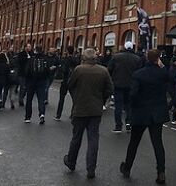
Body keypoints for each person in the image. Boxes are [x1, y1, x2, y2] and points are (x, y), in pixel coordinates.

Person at [63, 47, 113, 179]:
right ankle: (91, 168)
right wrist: (101, 100)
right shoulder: (103, 70)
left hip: (80, 108)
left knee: (76, 137)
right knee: (93, 139)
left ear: (84, 58)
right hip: (95, 110)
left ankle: (71, 161)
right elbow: (109, 89)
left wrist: (76, 96)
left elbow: (70, 84)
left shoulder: (79, 69)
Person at [120, 49, 168, 185]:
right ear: (158, 59)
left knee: (134, 142)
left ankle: (127, 167)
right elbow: (170, 77)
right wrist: (162, 65)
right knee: (158, 144)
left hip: (141, 113)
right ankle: (161, 172)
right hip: (157, 113)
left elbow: (133, 94)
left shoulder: (138, 74)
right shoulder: (162, 73)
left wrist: (133, 107)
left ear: (147, 58)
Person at [108, 40, 141, 132]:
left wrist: (112, 79)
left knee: (118, 106)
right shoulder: (137, 59)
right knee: (129, 106)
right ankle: (129, 123)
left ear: (125, 47)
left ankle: (118, 126)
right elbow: (139, 73)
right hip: (131, 85)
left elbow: (109, 69)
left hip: (118, 85)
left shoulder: (116, 57)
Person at [24, 45, 51, 124]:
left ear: (35, 50)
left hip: (31, 81)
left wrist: (27, 81)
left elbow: (27, 71)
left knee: (29, 99)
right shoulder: (45, 59)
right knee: (41, 99)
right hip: (42, 82)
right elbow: (48, 71)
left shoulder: (31, 59)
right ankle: (42, 114)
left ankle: (28, 117)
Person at [55, 46, 80, 121]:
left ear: (67, 51)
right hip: (73, 81)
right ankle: (73, 114)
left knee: (61, 99)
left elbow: (64, 70)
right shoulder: (76, 60)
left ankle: (58, 115)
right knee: (74, 99)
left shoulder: (65, 60)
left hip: (65, 80)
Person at [15, 42, 33, 106]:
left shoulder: (32, 54)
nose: (30, 48)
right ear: (25, 47)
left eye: (30, 46)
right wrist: (27, 58)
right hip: (22, 73)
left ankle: (22, 97)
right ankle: (21, 100)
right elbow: (19, 62)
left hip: (29, 74)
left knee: (27, 88)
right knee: (22, 87)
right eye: (28, 46)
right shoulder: (21, 54)